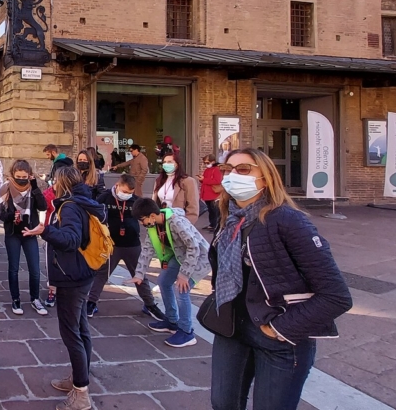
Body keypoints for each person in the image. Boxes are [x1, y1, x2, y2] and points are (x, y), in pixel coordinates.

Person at [210, 149, 352, 410]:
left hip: (278, 337)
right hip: (232, 329)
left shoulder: (287, 220)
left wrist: (279, 329)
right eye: (227, 169)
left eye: (243, 169)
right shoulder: (230, 219)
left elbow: (336, 296)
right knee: (222, 403)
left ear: (265, 178)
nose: (231, 175)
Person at [25, 166, 101, 410]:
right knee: (81, 329)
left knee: (71, 334)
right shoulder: (81, 201)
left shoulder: (69, 207)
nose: (53, 185)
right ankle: (79, 379)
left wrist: (46, 230)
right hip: (82, 272)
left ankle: (81, 394)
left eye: (55, 181)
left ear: (63, 183)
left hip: (72, 276)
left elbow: (71, 240)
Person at [131, 197, 210, 348]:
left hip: (200, 258)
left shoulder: (177, 222)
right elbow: (147, 249)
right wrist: (139, 273)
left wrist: (184, 275)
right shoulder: (153, 226)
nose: (141, 223)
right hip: (180, 256)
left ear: (152, 216)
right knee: (163, 282)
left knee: (181, 290)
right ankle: (172, 321)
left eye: (142, 219)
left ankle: (187, 332)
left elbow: (194, 247)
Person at [88, 174, 165, 321]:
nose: (127, 195)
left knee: (139, 275)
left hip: (132, 244)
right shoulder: (104, 198)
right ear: (117, 185)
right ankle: (91, 302)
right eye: (125, 192)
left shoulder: (135, 201)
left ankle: (150, 304)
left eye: (130, 193)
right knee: (102, 274)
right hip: (111, 244)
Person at [0, 160, 49, 316]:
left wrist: (35, 186)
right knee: (14, 268)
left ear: (29, 175)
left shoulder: (33, 188)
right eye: (18, 177)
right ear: (13, 174)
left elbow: (43, 206)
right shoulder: (5, 188)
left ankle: (35, 298)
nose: (21, 180)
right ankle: (15, 299)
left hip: (30, 232)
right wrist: (11, 216)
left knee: (35, 269)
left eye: (24, 177)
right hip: (13, 233)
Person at [152, 153, 200, 227]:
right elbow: (154, 201)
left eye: (170, 162)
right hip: (161, 221)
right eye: (164, 162)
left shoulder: (188, 181)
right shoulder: (159, 180)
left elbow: (193, 207)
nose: (166, 164)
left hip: (179, 222)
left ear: (177, 164)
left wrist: (185, 225)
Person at [199, 154, 223, 232]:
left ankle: (216, 225)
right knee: (211, 211)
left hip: (213, 194)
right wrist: (201, 179)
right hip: (207, 193)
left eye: (207, 162)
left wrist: (204, 179)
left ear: (213, 161)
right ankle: (212, 224)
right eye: (205, 163)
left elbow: (217, 181)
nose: (206, 164)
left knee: (215, 211)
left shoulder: (216, 169)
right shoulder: (207, 170)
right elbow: (205, 180)